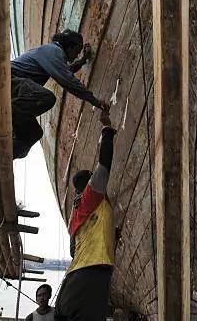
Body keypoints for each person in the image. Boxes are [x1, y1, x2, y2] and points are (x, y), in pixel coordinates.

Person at [54, 110, 116, 321]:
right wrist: (107, 130)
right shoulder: (92, 196)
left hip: (73, 281)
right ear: (89, 184)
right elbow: (105, 165)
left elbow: (75, 250)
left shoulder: (77, 216)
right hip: (92, 274)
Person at [11, 29, 110, 159]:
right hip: (8, 80)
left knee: (34, 134)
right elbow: (67, 79)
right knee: (47, 98)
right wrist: (95, 101)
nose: (77, 55)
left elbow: (66, 71)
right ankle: (11, 112)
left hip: (17, 90)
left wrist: (83, 60)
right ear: (69, 46)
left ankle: (2, 156)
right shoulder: (53, 50)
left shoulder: (52, 55)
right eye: (77, 51)